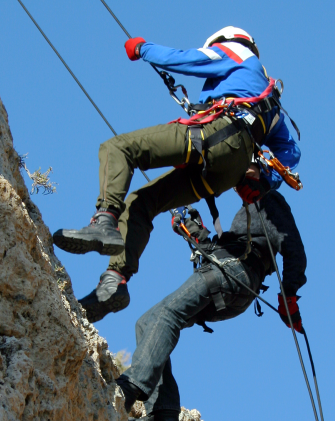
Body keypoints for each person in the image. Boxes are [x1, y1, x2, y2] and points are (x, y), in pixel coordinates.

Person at [53, 27, 301, 322]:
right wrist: (260, 177)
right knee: (141, 202)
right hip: (225, 172)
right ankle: (114, 282)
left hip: (215, 136)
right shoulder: (271, 104)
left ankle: (104, 220)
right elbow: (291, 153)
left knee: (118, 149)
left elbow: (187, 60)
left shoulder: (237, 52)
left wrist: (142, 49)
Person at [115, 192, 307, 420]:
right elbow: (222, 247)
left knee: (165, 315)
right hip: (234, 287)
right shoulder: (249, 212)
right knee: (146, 323)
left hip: (231, 272)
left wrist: (289, 294)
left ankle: (130, 387)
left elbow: (293, 246)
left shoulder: (267, 198)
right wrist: (193, 230)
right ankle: (163, 412)